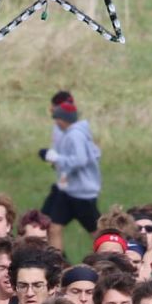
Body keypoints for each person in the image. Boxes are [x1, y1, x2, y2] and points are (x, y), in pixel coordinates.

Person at [39, 93, 102, 252]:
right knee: (54, 227)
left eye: (57, 118)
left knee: (97, 232)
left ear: (64, 119)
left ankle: (110, 257)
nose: (56, 122)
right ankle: (57, 264)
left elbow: (81, 160)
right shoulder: (72, 133)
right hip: (68, 190)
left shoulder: (75, 135)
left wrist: (56, 158)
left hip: (82, 194)